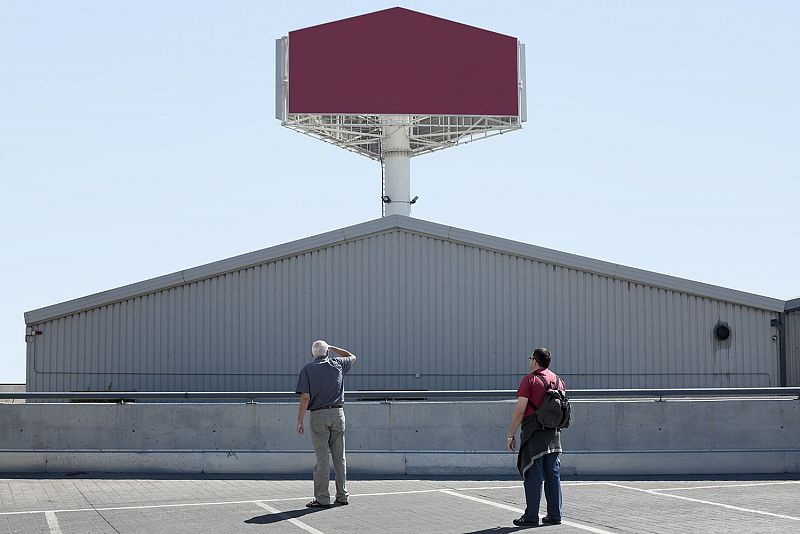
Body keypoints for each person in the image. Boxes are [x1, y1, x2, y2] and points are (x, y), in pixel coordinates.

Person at [507, 347, 565, 527]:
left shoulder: (530, 380)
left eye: (530, 358)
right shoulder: (558, 380)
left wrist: (511, 434)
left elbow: (520, 410)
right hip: (554, 434)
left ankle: (531, 516)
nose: (529, 361)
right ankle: (554, 515)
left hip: (534, 434)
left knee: (533, 475)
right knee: (553, 475)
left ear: (534, 361)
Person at [295, 339, 357, 508]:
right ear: (327, 352)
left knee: (322, 459)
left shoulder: (307, 369)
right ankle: (342, 495)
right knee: (340, 458)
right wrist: (332, 347)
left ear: (311, 354)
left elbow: (305, 397)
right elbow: (352, 356)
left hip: (318, 416)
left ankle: (322, 498)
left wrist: (299, 420)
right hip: (338, 413)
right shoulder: (337, 363)